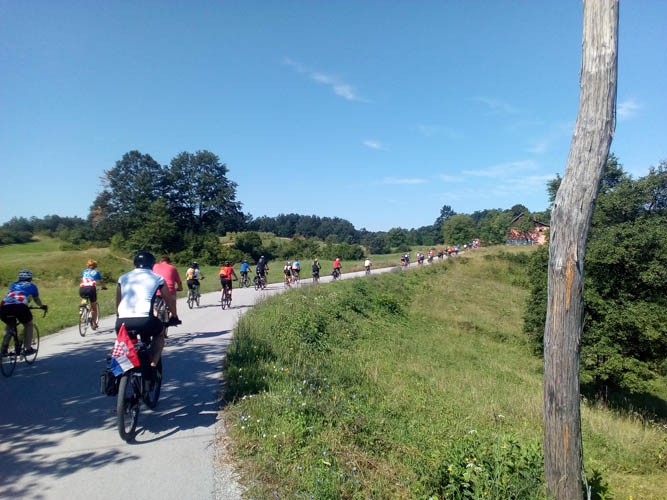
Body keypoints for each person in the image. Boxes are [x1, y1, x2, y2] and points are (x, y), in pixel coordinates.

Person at [116, 251, 179, 367]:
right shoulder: (157, 278)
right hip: (145, 321)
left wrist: (119, 315)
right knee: (160, 334)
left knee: (128, 344)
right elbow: (168, 299)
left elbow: (118, 301)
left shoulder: (123, 278)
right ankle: (153, 364)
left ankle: (127, 369)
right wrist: (174, 315)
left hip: (122, 322)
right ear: (152, 264)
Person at [1, 270, 47, 356]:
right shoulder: (32, 286)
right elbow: (36, 299)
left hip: (4, 307)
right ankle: (27, 348)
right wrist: (42, 306)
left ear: (19, 278)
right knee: (29, 324)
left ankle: (3, 350)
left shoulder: (13, 284)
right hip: (20, 306)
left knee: (10, 326)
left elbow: (12, 296)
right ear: (30, 278)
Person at [79, 259, 107, 329]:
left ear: (88, 265)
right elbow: (101, 281)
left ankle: (82, 309)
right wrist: (104, 287)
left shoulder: (84, 271)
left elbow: (82, 280)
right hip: (91, 288)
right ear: (95, 266)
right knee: (94, 308)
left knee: (84, 298)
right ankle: (94, 323)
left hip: (82, 289)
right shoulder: (96, 272)